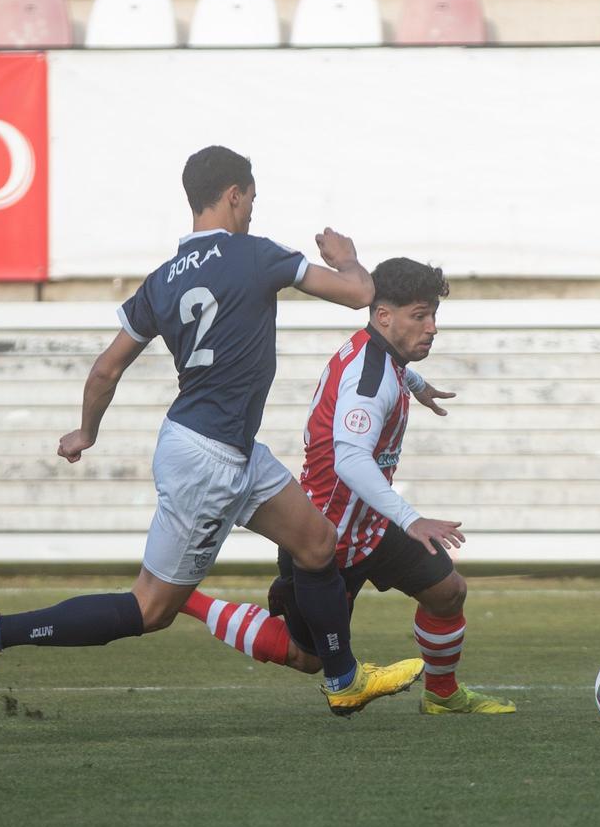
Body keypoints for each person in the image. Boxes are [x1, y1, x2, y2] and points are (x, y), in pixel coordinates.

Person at [0, 146, 424, 716]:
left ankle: (344, 682)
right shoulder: (256, 255)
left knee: (318, 544)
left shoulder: (162, 280)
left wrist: (86, 432)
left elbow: (106, 368)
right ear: (234, 195)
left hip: (228, 449)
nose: (249, 211)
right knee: (150, 610)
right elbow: (363, 295)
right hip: (207, 461)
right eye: (250, 201)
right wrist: (347, 257)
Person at [180, 257, 515, 715]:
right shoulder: (370, 379)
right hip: (325, 536)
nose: (433, 327)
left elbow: (388, 373)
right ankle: (187, 600)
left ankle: (442, 694)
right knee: (306, 658)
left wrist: (416, 383)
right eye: (420, 316)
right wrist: (412, 518)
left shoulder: (380, 355)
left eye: (434, 314)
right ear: (384, 316)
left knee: (448, 591)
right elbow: (351, 460)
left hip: (370, 527)